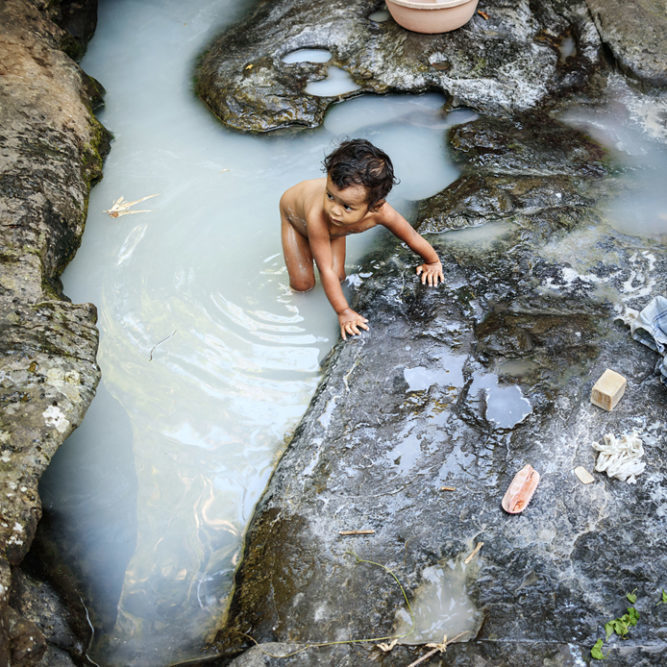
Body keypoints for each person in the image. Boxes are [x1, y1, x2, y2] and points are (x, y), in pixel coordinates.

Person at [280, 139, 444, 340]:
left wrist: (433, 261)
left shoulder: (381, 213)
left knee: (339, 277)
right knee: (303, 283)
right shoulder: (320, 216)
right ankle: (298, 310)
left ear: (375, 206)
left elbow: (411, 236)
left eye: (347, 206)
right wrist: (343, 312)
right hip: (294, 216)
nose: (334, 210)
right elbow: (326, 270)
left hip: (336, 230)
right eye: (329, 196)